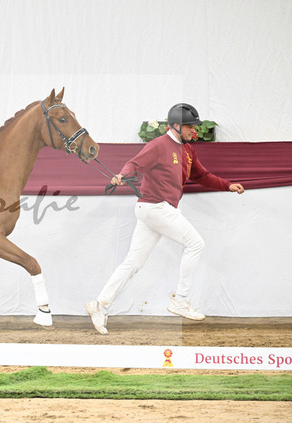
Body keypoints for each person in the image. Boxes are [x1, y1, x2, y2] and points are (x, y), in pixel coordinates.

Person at [86, 103, 244, 334]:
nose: (195, 131)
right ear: (176, 126)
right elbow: (134, 164)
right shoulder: (158, 145)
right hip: (156, 208)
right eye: (190, 127)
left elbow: (202, 176)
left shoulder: (188, 150)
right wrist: (122, 175)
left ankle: (100, 304)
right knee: (195, 244)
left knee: (133, 262)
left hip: (153, 210)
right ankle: (181, 300)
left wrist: (227, 185)